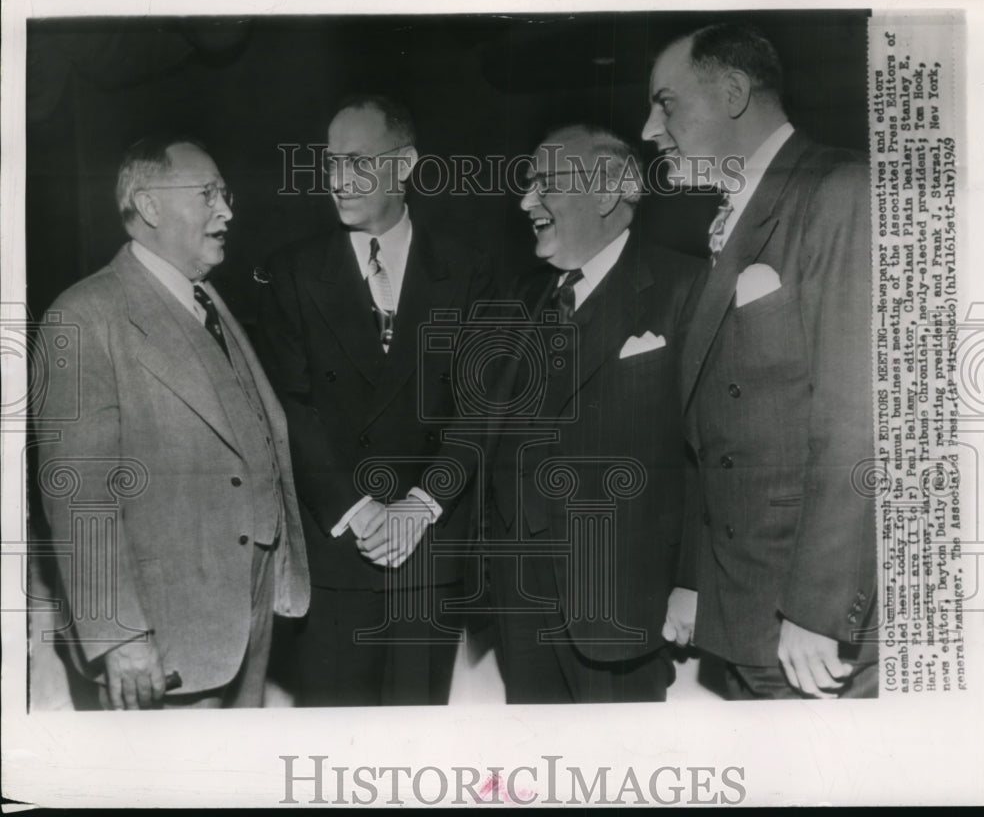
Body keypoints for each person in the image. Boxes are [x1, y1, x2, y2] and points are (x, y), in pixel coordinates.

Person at [643, 23, 877, 699]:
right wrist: (694, 578)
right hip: (743, 616)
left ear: (735, 91)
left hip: (809, 632)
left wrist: (817, 608)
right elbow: (712, 436)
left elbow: (860, 423)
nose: (651, 130)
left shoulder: (839, 189)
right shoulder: (732, 219)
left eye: (665, 103)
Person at [34, 135, 310, 710]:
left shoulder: (206, 299)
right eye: (208, 193)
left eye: (226, 194)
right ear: (150, 205)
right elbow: (80, 494)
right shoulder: (84, 315)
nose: (227, 210)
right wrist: (119, 636)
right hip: (162, 641)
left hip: (244, 625)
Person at [256, 95, 493, 706]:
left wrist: (420, 505)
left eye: (357, 162)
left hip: (428, 555)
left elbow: (481, 409)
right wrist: (359, 510)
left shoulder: (470, 272)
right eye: (331, 163)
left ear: (406, 164)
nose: (339, 181)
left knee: (416, 750)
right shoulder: (291, 272)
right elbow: (288, 409)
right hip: (338, 553)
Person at [484, 124, 703, 703]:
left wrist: (692, 582)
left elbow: (714, 455)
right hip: (520, 599)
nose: (527, 200)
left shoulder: (687, 286)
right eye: (528, 185)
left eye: (545, 184)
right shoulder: (521, 296)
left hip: (622, 601)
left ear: (607, 193)